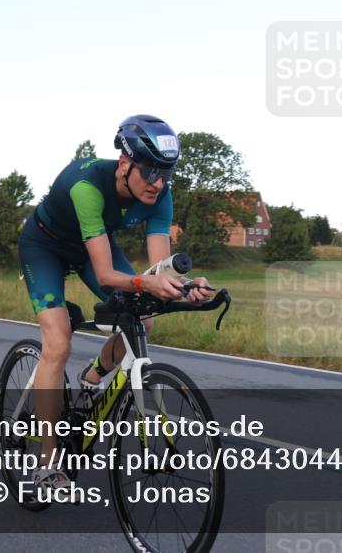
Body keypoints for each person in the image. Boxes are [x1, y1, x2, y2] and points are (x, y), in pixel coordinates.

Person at [17, 114, 211, 493]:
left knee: (145, 319)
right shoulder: (88, 186)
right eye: (150, 172)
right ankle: (47, 462)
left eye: (166, 173)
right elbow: (107, 275)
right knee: (57, 342)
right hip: (44, 246)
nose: (158, 183)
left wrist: (190, 286)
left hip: (93, 245)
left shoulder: (161, 195)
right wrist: (150, 282)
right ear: (125, 163)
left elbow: (160, 269)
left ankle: (91, 378)